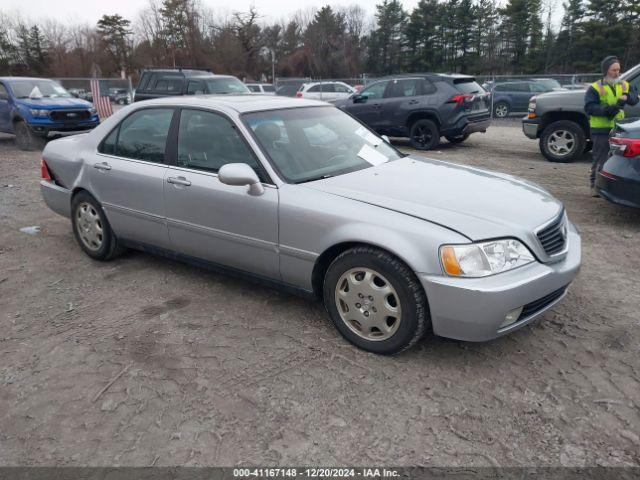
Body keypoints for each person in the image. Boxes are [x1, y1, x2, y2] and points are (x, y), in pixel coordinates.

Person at [584, 56, 639, 197]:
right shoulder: (595, 88)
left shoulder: (623, 85)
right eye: (614, 70)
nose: (617, 73)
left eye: (618, 70)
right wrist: (607, 110)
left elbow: (634, 98)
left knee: (614, 159)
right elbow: (589, 107)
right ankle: (594, 186)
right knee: (600, 157)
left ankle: (608, 187)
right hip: (600, 128)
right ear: (606, 71)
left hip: (617, 130)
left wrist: (626, 97)